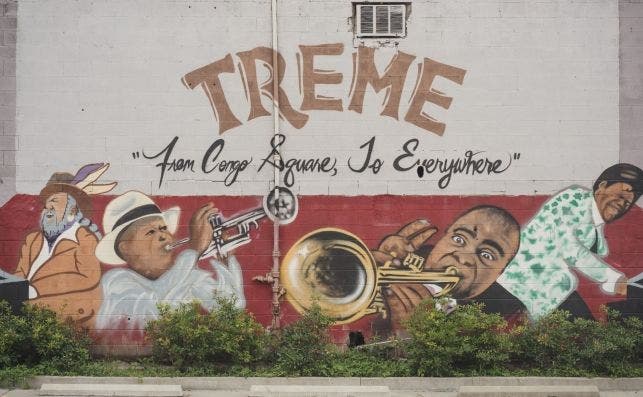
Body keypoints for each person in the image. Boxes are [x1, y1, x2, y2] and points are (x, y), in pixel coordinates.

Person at [497, 163, 643, 319]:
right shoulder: (573, 199)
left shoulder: (594, 222)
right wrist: (613, 279)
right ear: (602, 186)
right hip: (521, 289)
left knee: (587, 333)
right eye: (620, 196)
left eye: (628, 203)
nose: (622, 204)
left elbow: (591, 249)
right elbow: (570, 248)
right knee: (587, 334)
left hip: (550, 293)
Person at [94, 191, 246, 333]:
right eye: (150, 232)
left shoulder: (186, 275)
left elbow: (232, 307)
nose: (164, 236)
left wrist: (227, 260)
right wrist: (193, 251)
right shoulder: (117, 281)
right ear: (126, 248)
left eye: (163, 228)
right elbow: (155, 312)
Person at [372, 205, 521, 331]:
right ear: (445, 236)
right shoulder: (406, 258)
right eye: (459, 239)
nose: (463, 258)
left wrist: (411, 333)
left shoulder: (510, 316)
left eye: (487, 255)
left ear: (499, 273)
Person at [13, 163, 116, 327]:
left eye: (54, 201)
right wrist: (15, 291)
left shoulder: (84, 238)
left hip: (72, 315)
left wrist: (35, 289)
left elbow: (89, 277)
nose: (48, 208)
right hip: (30, 313)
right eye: (46, 205)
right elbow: (20, 272)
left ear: (72, 212)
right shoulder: (32, 239)